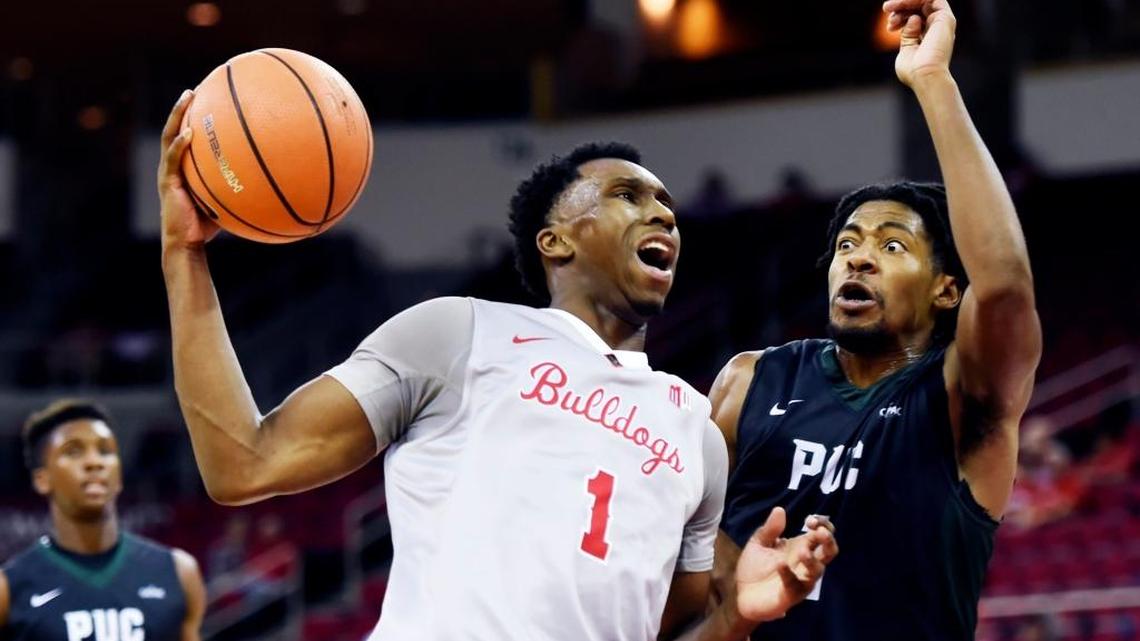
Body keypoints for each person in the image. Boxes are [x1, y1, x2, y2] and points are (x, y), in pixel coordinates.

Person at [157, 92, 838, 639]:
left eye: (667, 206)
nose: (662, 215)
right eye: (628, 195)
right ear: (556, 241)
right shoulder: (460, 332)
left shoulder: (695, 431)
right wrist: (184, 254)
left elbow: (676, 630)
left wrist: (737, 613)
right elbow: (244, 462)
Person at [709, 1, 1041, 639]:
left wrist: (933, 81)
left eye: (891, 245)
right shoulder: (749, 382)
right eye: (847, 244)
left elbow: (1004, 288)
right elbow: (681, 559)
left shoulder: (962, 396)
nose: (858, 258)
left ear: (947, 290)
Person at [0, 400, 206, 641]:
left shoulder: (178, 572)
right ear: (42, 479)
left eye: (105, 451)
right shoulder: (8, 587)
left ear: (119, 474)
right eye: (73, 451)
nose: (94, 462)